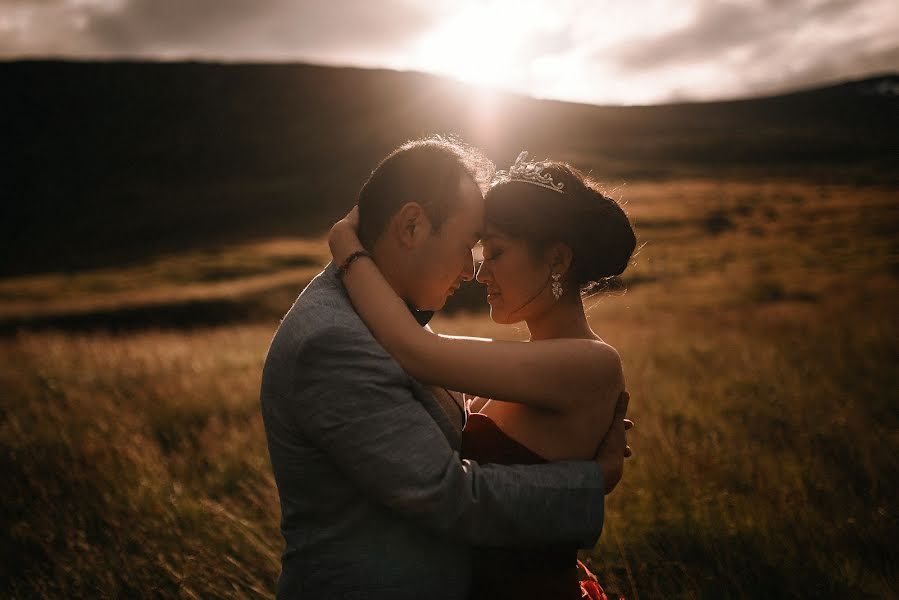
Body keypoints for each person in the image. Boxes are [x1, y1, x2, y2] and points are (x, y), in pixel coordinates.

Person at [260, 137, 631, 599]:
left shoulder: (401, 325)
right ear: (412, 225)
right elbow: (448, 493)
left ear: (557, 260)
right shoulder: (335, 340)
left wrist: (347, 245)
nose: (473, 271)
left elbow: (419, 357)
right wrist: (593, 481)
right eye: (470, 246)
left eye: (492, 252)